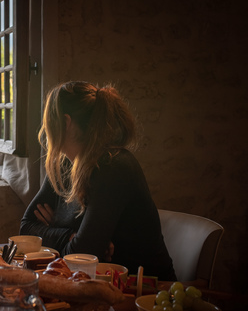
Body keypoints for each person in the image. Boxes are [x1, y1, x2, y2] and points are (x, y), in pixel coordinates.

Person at [20, 81, 176, 281]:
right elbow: (26, 228)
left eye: (48, 121)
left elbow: (80, 255)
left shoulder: (114, 167)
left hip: (142, 293)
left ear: (66, 123)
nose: (44, 129)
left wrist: (56, 229)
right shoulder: (65, 164)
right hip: (95, 285)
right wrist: (68, 235)